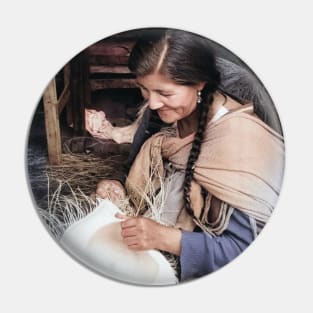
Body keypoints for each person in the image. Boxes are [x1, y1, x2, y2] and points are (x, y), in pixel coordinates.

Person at [92, 29, 285, 282]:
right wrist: (116, 182)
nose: (152, 104)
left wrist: (167, 238)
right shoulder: (165, 111)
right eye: (143, 89)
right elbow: (132, 160)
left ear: (199, 85)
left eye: (165, 93)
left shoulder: (241, 146)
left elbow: (245, 251)